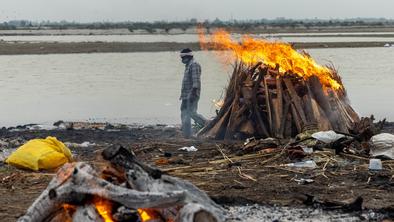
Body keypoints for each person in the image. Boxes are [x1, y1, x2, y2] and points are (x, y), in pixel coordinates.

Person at [179, 48, 206, 138]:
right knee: (184, 112)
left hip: (191, 94)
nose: (181, 60)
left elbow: (196, 82)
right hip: (185, 95)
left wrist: (192, 94)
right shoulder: (188, 65)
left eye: (183, 57)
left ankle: (206, 125)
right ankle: (186, 133)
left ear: (188, 56)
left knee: (191, 113)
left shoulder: (194, 65)